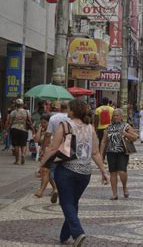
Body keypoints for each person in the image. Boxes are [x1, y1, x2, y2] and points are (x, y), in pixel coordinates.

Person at [40, 100, 109, 246]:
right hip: (85, 173)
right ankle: (64, 236)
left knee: (66, 202)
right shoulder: (90, 128)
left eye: (69, 109)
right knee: (72, 203)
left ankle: (78, 233)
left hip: (66, 170)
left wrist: (42, 165)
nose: (67, 112)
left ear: (72, 111)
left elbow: (53, 148)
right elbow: (95, 153)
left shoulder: (64, 125)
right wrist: (104, 171)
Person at [101, 108, 138, 200]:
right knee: (112, 173)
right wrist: (101, 154)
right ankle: (114, 193)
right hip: (111, 152)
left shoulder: (126, 126)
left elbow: (135, 137)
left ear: (121, 117)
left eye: (117, 115)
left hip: (122, 152)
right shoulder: (109, 127)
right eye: (114, 115)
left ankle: (124, 186)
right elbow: (104, 141)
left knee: (122, 172)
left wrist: (126, 134)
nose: (115, 117)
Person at [34, 114, 58, 200]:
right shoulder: (43, 131)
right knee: (46, 172)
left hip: (50, 153)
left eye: (45, 123)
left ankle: (41, 191)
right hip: (44, 153)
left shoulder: (53, 132)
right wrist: (40, 129)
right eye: (41, 123)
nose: (43, 124)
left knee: (45, 171)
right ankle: (55, 189)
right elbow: (36, 140)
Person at [6, 99, 32, 165]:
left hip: (15, 129)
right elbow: (30, 121)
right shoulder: (27, 112)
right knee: (23, 144)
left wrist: (7, 129)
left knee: (16, 145)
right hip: (24, 129)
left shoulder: (13, 112)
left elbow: (10, 122)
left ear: (16, 105)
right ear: (22, 104)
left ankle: (17, 160)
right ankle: (23, 154)